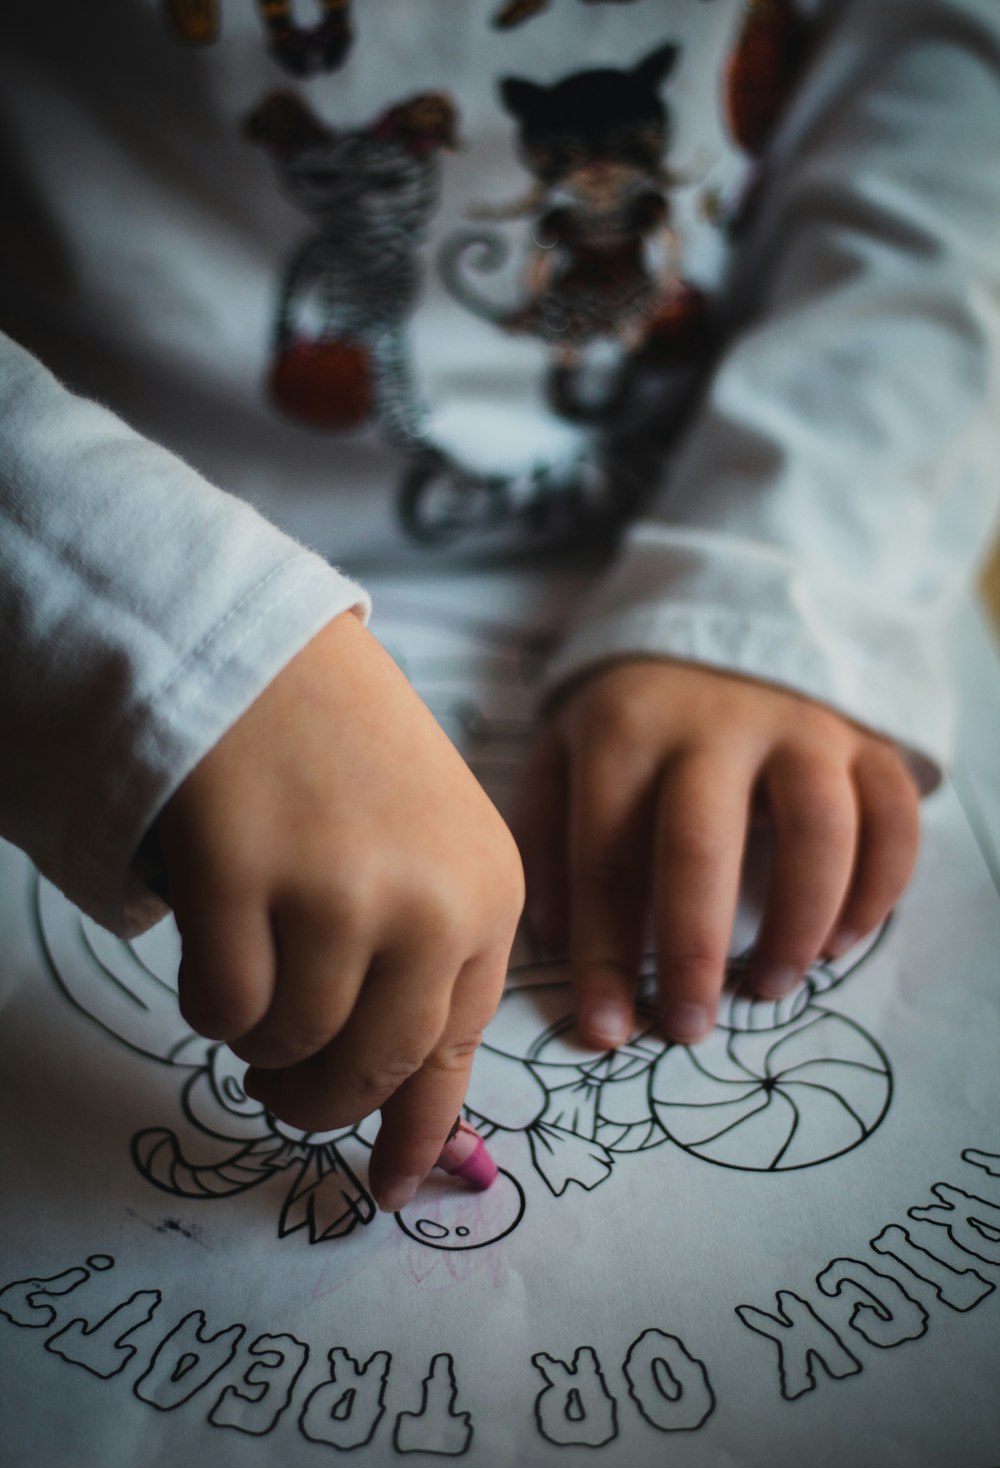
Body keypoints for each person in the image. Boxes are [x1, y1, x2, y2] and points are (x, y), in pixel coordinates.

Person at [2, 0, 999, 1213]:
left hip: (710, 476)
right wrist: (146, 620)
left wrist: (793, 558)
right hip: (104, 501)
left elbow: (946, 78)